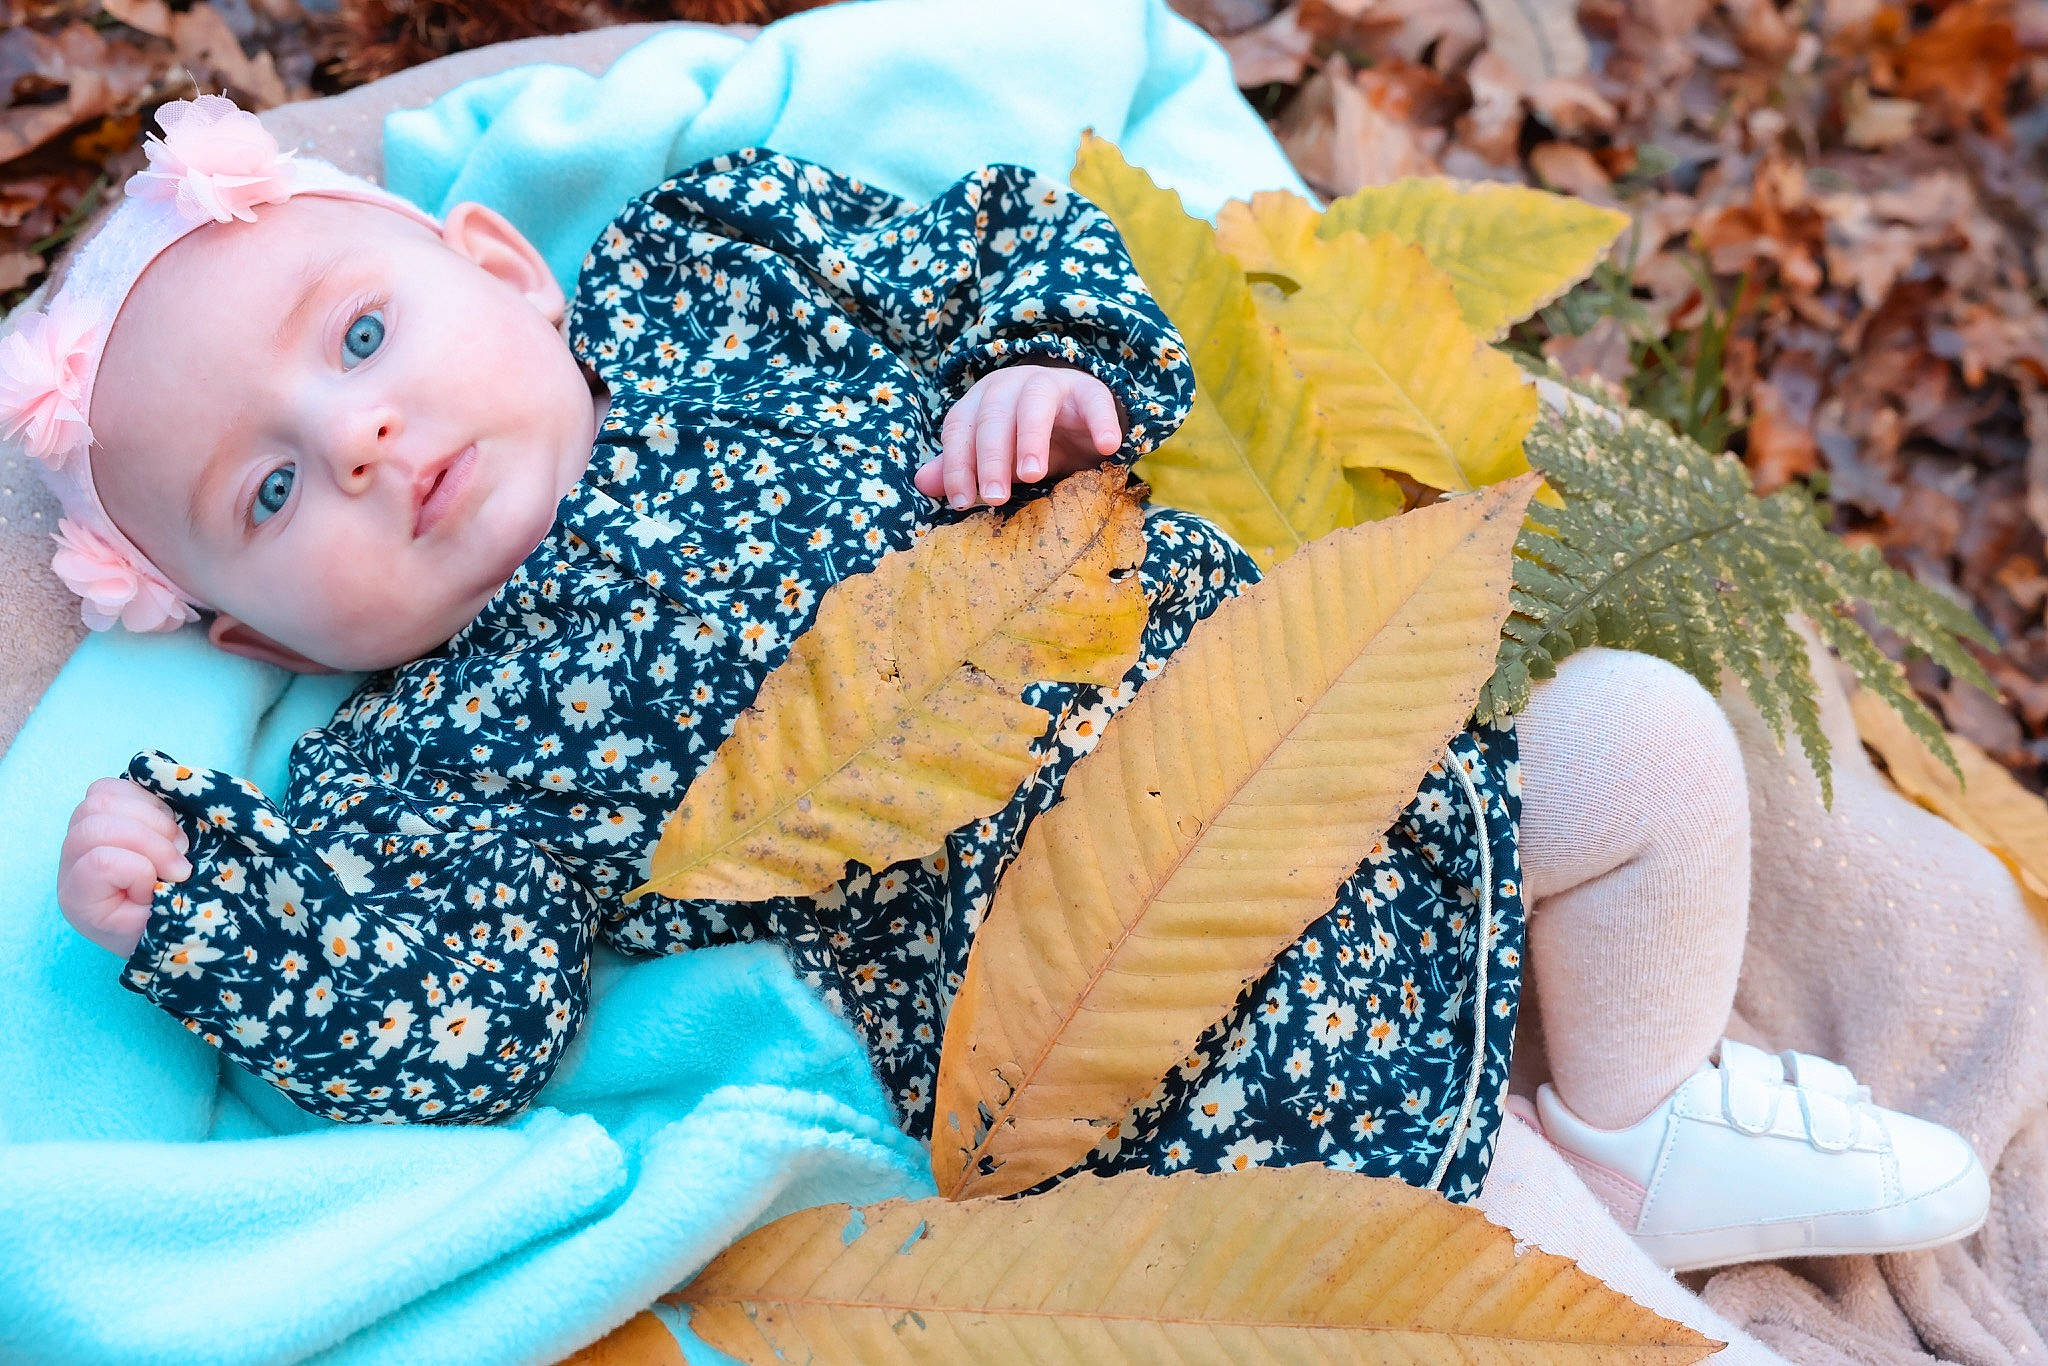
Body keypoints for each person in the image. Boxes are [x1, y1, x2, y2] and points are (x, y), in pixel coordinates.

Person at [8, 94, 1986, 1272]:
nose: (359, 436)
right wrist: (230, 913)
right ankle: (1604, 1230)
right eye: (266, 490)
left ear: (503, 269)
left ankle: (1639, 1110)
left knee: (1644, 738)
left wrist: (1043, 363)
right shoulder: (430, 762)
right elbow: (467, 1018)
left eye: (360, 331)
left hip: (1327, 741)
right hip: (1158, 1018)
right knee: (1503, 1274)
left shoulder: (717, 283)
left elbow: (988, 237)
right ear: (257, 639)